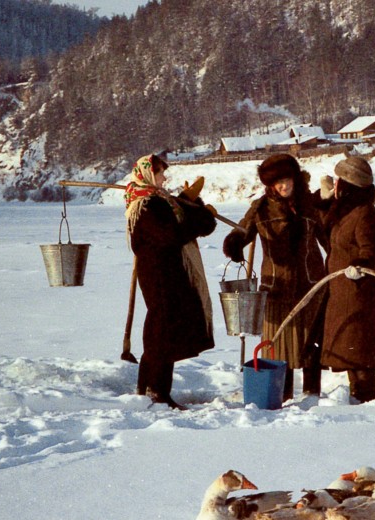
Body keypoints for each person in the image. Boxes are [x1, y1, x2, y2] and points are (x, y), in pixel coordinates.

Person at [222, 154, 327, 402]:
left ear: (295, 178)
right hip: (276, 286)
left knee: (310, 342)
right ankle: (284, 393)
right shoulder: (260, 208)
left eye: (286, 180)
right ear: (270, 185)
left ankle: (312, 394)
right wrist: (235, 243)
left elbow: (328, 238)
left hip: (310, 283)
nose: (283, 186)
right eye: (277, 182)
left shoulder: (309, 205)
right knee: (279, 346)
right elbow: (242, 231)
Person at [125, 153, 217, 410]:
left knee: (162, 328)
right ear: (147, 174)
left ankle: (148, 389)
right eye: (160, 173)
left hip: (170, 271)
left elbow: (184, 222)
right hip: (158, 274)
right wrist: (198, 218)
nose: (164, 177)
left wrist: (193, 203)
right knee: (161, 329)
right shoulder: (145, 205)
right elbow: (172, 234)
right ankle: (157, 391)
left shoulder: (160, 200)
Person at [318, 156, 375, 403]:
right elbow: (324, 230)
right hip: (342, 289)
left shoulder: (365, 213)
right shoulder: (345, 210)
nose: (335, 184)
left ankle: (368, 398)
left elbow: (371, 250)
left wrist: (361, 265)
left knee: (361, 349)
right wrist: (323, 201)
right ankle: (358, 395)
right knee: (350, 347)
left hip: (359, 289)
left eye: (338, 181)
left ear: (349, 185)